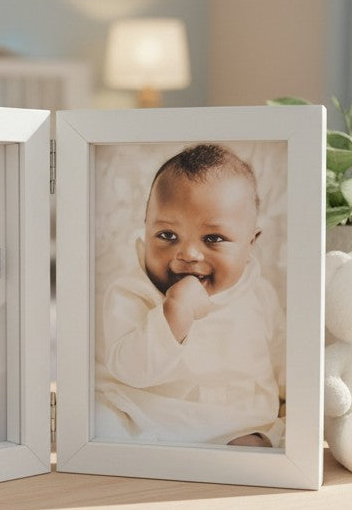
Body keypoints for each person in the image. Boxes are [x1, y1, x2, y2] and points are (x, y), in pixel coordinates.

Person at [95, 143, 285, 447]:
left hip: (236, 422)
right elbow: (130, 370)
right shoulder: (131, 292)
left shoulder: (259, 293)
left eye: (213, 238)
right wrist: (174, 313)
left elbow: (283, 356)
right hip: (144, 416)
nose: (188, 253)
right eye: (167, 235)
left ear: (251, 243)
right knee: (101, 422)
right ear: (145, 230)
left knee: (264, 442)